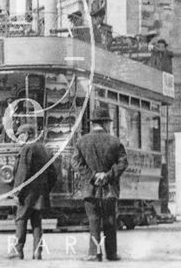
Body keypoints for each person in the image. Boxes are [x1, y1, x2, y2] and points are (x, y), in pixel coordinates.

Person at [72, 107, 128, 262]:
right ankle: (111, 253)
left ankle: (94, 253)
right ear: (105, 123)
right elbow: (123, 162)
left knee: (94, 220)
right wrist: (107, 175)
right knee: (110, 220)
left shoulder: (82, 141)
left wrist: (93, 176)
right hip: (110, 189)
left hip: (90, 189)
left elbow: (76, 162)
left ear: (94, 123)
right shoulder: (115, 141)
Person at [6, 124, 57, 260]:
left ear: (27, 134)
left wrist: (17, 193)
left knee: (21, 219)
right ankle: (37, 252)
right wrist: (45, 189)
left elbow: (22, 173)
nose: (18, 139)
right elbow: (54, 174)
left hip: (27, 193)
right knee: (36, 222)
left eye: (20, 136)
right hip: (40, 193)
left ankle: (17, 251)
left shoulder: (27, 148)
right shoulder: (45, 148)